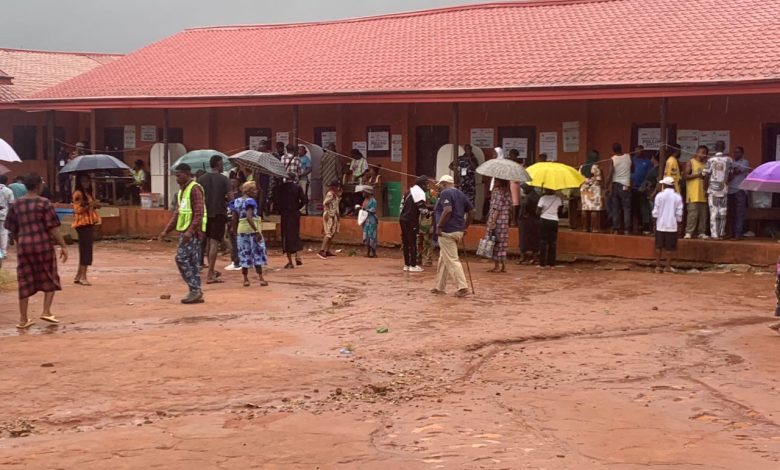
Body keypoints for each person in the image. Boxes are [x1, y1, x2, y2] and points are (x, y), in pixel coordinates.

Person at [4, 173, 68, 328]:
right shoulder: (44, 203)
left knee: (24, 280)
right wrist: (63, 245)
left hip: (24, 246)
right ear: (39, 186)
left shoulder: (16, 204)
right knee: (49, 275)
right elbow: (53, 228)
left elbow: (12, 228)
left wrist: (21, 243)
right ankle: (46, 311)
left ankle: (23, 319)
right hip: (43, 245)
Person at [159, 164, 206, 304]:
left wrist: (190, 231)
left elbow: (199, 212)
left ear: (186, 174)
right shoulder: (182, 192)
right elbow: (178, 213)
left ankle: (195, 289)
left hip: (191, 233)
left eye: (179, 175)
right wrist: (166, 230)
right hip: (185, 231)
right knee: (192, 262)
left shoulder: (194, 189)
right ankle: (196, 291)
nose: (176, 178)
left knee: (181, 258)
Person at [432, 175, 473, 297]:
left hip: (447, 231)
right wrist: (465, 227)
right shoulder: (461, 194)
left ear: (444, 183)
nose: (439, 188)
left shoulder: (446, 193)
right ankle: (439, 287)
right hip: (458, 230)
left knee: (452, 260)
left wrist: (439, 226)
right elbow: (471, 211)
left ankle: (462, 287)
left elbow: (448, 210)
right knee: (444, 259)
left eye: (440, 185)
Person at [198, 155, 229, 284]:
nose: (223, 166)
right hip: (219, 213)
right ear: (217, 164)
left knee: (209, 242)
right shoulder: (224, 179)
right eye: (222, 164)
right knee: (214, 243)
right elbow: (230, 196)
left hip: (205, 214)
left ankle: (210, 270)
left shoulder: (201, 179)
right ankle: (210, 273)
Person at [230, 181, 268, 287]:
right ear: (249, 191)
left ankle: (246, 279)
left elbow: (234, 218)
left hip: (241, 230)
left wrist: (234, 230)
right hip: (251, 230)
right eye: (254, 190)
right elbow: (249, 217)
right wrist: (256, 231)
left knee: (244, 254)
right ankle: (261, 278)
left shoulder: (236, 201)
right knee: (257, 253)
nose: (256, 192)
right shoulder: (251, 201)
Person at [71, 173, 101, 286]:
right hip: (82, 224)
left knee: (85, 249)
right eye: (84, 181)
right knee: (86, 250)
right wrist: (90, 205)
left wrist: (95, 204)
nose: (86, 184)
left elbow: (92, 206)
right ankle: (83, 276)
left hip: (89, 222)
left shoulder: (88, 194)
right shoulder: (78, 194)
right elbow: (77, 210)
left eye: (87, 181)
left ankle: (79, 275)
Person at [702, 141, 734, 240]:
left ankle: (714, 235)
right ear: (724, 147)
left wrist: (705, 188)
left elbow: (705, 175)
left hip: (712, 190)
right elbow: (731, 175)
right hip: (724, 190)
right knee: (723, 213)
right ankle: (721, 234)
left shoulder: (711, 160)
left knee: (714, 212)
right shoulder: (729, 160)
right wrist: (724, 182)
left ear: (715, 148)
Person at [274, 175, 308, 268]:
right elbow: (305, 200)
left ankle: (290, 262)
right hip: (294, 214)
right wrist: (297, 207)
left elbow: (276, 202)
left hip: (285, 214)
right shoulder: (297, 187)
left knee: (286, 236)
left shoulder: (280, 188)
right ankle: (298, 256)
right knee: (295, 234)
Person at [652, 176, 684, 273]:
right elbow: (679, 212)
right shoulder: (677, 197)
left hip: (660, 224)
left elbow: (655, 211)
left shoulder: (659, 196)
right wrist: (679, 222)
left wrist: (655, 221)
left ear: (664, 185)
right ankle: (667, 266)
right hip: (672, 225)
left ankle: (658, 266)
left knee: (658, 246)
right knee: (670, 247)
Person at [399, 175, 429, 272]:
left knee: (406, 242)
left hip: (402, 219)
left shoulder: (409, 191)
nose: (427, 187)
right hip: (411, 220)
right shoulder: (419, 193)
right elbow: (422, 210)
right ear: (422, 184)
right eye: (426, 184)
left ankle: (406, 265)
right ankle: (413, 265)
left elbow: (401, 206)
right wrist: (430, 212)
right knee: (413, 242)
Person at [605, 143, 632, 234]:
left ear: (613, 150)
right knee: (626, 208)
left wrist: (606, 186)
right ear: (621, 148)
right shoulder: (628, 157)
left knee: (616, 207)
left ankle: (616, 228)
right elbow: (633, 168)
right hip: (626, 185)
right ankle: (627, 230)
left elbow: (610, 174)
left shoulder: (613, 159)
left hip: (616, 185)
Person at [683, 145, 709, 239]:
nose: (703, 155)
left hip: (703, 193)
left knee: (703, 215)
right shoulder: (691, 162)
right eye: (701, 152)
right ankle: (689, 232)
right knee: (692, 215)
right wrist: (698, 175)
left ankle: (701, 232)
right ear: (697, 152)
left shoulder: (706, 164)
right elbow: (685, 176)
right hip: (693, 193)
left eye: (705, 153)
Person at [486, 178, 511, 273]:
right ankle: (503, 266)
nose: (494, 182)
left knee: (495, 242)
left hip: (497, 221)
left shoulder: (498, 193)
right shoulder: (507, 193)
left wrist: (493, 222)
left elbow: (497, 209)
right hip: (504, 221)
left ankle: (496, 266)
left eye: (496, 180)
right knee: (502, 243)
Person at [728, 146, 750, 240]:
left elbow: (735, 172)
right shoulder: (731, 162)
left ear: (742, 153)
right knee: (731, 213)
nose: (736, 154)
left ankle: (737, 234)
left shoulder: (744, 162)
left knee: (739, 213)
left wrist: (730, 173)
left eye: (738, 152)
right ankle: (732, 234)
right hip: (730, 191)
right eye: (735, 152)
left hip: (740, 191)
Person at [537, 188, 562, 268]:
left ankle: (542, 263)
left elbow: (537, 211)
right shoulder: (558, 199)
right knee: (553, 242)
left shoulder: (542, 198)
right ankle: (551, 263)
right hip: (554, 220)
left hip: (544, 220)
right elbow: (560, 211)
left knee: (543, 241)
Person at [517, 183, 540, 264]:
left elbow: (524, 210)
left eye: (524, 189)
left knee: (523, 239)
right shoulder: (537, 197)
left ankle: (522, 257)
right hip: (535, 220)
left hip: (526, 221)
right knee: (535, 239)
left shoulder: (527, 198)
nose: (523, 190)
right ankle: (535, 257)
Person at [318, 181, 342, 259]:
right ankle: (322, 250)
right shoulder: (330, 194)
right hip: (330, 215)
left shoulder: (334, 195)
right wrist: (329, 212)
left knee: (332, 233)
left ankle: (327, 250)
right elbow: (325, 203)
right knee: (328, 233)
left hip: (334, 215)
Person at [630, 146, 652, 233]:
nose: (637, 152)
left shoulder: (647, 162)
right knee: (635, 207)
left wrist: (645, 186)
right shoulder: (632, 160)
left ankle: (645, 226)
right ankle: (637, 225)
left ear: (642, 151)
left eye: (639, 150)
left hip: (642, 189)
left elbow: (649, 175)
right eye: (636, 150)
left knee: (644, 207)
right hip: (633, 188)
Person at [580, 158, 603, 233]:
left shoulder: (581, 167)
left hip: (584, 188)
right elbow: (599, 179)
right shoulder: (595, 167)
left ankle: (584, 228)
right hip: (594, 189)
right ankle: (594, 228)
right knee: (594, 209)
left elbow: (579, 178)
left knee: (585, 208)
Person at [224, 178, 242, 271]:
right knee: (231, 240)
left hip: (236, 220)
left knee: (235, 241)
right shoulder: (226, 195)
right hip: (229, 218)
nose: (231, 184)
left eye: (233, 182)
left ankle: (237, 261)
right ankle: (235, 260)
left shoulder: (239, 196)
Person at [417, 186, 438, 267]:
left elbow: (435, 206)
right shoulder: (417, 193)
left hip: (428, 221)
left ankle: (428, 259)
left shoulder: (431, 193)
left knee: (428, 241)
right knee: (418, 241)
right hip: (418, 220)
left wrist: (424, 206)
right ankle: (418, 258)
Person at [0, 175, 15, 266]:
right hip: (4, 214)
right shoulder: (8, 191)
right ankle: (4, 252)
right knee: (4, 233)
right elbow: (12, 204)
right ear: (6, 181)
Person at [360, 186, 378, 258]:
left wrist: (364, 209)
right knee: (366, 236)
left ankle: (373, 252)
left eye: (364, 192)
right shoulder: (365, 200)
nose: (362, 193)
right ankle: (368, 251)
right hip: (366, 219)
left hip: (371, 220)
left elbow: (373, 210)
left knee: (372, 236)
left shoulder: (373, 201)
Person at [297, 144, 312, 214]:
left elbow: (309, 169)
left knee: (302, 194)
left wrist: (302, 174)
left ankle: (302, 210)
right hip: (296, 179)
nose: (299, 151)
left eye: (301, 150)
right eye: (298, 149)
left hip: (303, 179)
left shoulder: (306, 159)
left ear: (304, 151)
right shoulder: (296, 158)